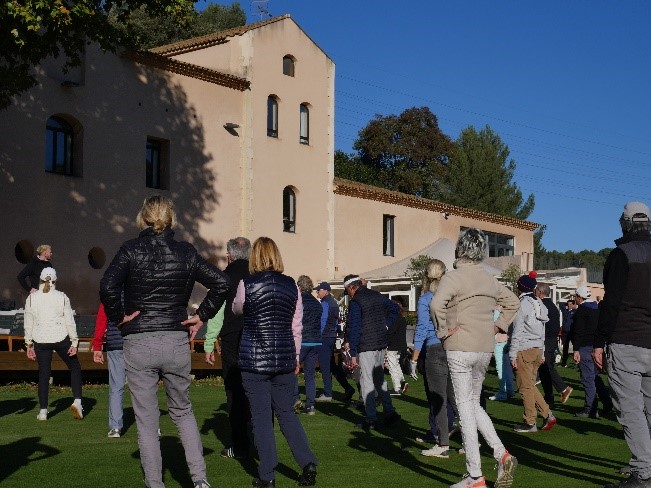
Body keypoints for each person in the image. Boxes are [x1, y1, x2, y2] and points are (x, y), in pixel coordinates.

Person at [100, 195, 231, 488]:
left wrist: (119, 317)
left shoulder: (131, 249)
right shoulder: (184, 251)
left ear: (143, 218)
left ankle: (156, 484)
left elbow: (107, 285)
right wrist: (202, 315)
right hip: (174, 339)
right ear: (170, 218)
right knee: (183, 412)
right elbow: (222, 282)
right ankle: (200, 480)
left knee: (147, 421)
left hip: (140, 340)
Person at [431, 228, 520, 488]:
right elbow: (513, 302)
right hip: (484, 348)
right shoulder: (489, 279)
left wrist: (443, 331)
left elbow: (436, 305)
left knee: (465, 409)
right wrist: (498, 326)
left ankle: (475, 476)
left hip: (460, 347)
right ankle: (501, 453)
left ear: (460, 249)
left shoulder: (454, 277)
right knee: (472, 403)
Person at [232, 237, 318, 487]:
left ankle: (267, 476)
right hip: (283, 359)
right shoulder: (292, 286)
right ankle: (308, 463)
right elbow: (296, 327)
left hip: (254, 360)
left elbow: (237, 309)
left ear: (254, 257)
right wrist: (295, 358)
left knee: (261, 418)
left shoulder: (246, 283)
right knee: (287, 414)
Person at [594, 202, 651, 488]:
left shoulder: (621, 255)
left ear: (625, 223)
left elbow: (612, 302)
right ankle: (646, 468)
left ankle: (643, 473)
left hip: (626, 340)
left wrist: (598, 341)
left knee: (630, 410)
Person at [204, 236, 252, 460]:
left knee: (234, 389)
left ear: (229, 255)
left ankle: (239, 444)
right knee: (256, 389)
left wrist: (209, 343)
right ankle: (260, 442)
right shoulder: (258, 275)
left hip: (233, 336)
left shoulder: (225, 277)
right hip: (256, 337)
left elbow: (216, 312)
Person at [24, 267, 83, 421]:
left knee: (44, 373)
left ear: (41, 280)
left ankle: (43, 411)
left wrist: (28, 344)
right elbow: (69, 321)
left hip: (40, 339)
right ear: (55, 280)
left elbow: (28, 323)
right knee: (74, 367)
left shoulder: (31, 298)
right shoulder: (62, 297)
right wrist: (74, 342)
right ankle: (77, 400)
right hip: (60, 337)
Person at [411, 259, 456, 459]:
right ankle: (472, 439)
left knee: (438, 399)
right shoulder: (452, 296)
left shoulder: (426, 298)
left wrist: (414, 358)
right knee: (456, 399)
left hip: (435, 348)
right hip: (452, 346)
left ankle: (443, 443)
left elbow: (422, 329)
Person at [344, 274, 401, 430]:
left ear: (351, 288)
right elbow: (395, 308)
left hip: (366, 345)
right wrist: (386, 326)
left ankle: (371, 418)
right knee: (379, 379)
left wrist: (353, 353)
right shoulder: (376, 295)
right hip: (381, 342)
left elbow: (354, 328)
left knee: (367, 381)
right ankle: (389, 411)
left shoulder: (356, 302)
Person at [509, 273, 557, 433]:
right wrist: (542, 352)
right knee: (529, 385)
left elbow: (517, 331)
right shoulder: (540, 304)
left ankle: (530, 421)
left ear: (520, 287)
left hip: (525, 348)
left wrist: (512, 353)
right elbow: (542, 330)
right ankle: (547, 413)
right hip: (537, 348)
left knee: (524, 387)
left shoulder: (522, 303)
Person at [572, 285, 612, 418]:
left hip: (585, 347)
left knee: (587, 379)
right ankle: (606, 402)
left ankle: (590, 408)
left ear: (579, 297)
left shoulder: (582, 310)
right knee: (595, 378)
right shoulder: (597, 308)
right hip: (597, 346)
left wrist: (576, 349)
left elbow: (578, 332)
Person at [314, 282, 355, 403]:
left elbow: (323, 321)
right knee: (332, 365)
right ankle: (348, 388)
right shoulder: (333, 303)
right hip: (331, 336)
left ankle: (327, 393)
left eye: (318, 290)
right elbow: (336, 322)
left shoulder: (325, 303)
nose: (317, 292)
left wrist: (318, 336)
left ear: (325, 291)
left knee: (325, 365)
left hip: (325, 337)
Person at [535, 283, 573, 408]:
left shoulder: (543, 305)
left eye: (536, 291)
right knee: (545, 369)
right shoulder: (551, 305)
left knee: (546, 368)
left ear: (540, 292)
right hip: (551, 340)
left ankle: (563, 388)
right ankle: (549, 399)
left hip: (546, 340)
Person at [92, 302, 125, 437]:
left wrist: (97, 345)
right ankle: (152, 426)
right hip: (136, 342)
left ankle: (115, 427)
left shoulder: (110, 293)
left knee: (116, 386)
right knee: (143, 386)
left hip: (115, 342)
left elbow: (102, 320)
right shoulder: (139, 288)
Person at [294, 275, 323, 415]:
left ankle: (296, 399)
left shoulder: (298, 301)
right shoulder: (317, 304)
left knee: (294, 371)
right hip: (316, 341)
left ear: (299, 287)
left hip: (303, 340)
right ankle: (310, 405)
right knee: (310, 375)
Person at [489, 305, 515, 401]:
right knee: (506, 368)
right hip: (507, 340)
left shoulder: (498, 309)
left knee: (501, 368)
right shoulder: (510, 308)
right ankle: (509, 390)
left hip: (500, 341)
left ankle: (503, 392)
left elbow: (494, 325)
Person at [387, 296, 408, 396]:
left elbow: (391, 331)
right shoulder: (402, 317)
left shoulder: (394, 317)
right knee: (396, 364)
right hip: (400, 345)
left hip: (393, 345)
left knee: (392, 366)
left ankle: (397, 387)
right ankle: (402, 382)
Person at [560, 299, 577, 367]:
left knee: (575, 347)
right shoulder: (565, 311)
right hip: (565, 332)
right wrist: (566, 303)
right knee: (565, 348)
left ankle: (577, 362)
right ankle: (564, 363)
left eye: (570, 304)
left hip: (572, 332)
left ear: (573, 305)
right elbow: (561, 304)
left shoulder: (575, 312)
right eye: (568, 304)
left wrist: (574, 306)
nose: (569, 306)